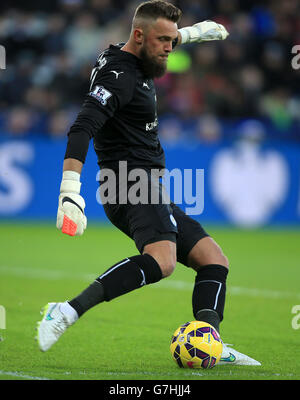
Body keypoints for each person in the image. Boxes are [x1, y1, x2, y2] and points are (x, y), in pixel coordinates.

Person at [36, 0, 260, 366]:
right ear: (139, 36)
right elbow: (81, 127)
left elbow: (161, 41)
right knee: (163, 262)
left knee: (214, 260)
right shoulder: (119, 77)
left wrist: (193, 33)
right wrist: (69, 191)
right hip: (128, 184)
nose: (169, 49)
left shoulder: (134, 54)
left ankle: (209, 341)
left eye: (173, 41)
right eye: (164, 41)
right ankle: (65, 311)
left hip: (147, 185)